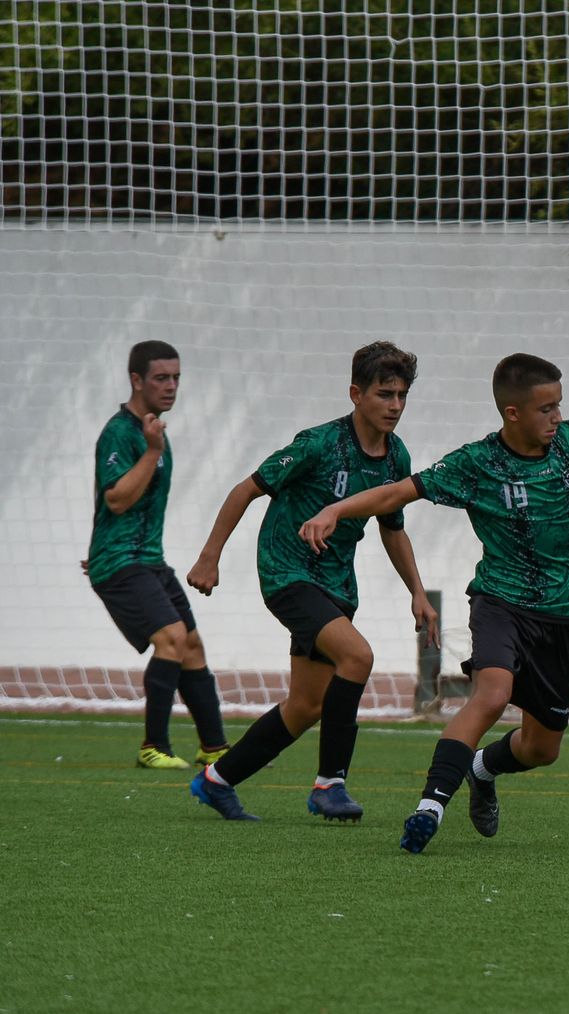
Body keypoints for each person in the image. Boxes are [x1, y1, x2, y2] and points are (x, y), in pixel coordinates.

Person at [296, 353, 569, 853]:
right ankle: (430, 806)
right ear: (512, 413)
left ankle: (482, 768)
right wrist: (334, 509)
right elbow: (395, 495)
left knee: (542, 749)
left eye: (559, 405)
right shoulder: (477, 463)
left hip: (561, 618)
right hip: (500, 603)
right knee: (491, 696)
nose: (556, 417)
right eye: (546, 409)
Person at [184, 341, 438, 822]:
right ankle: (330, 785)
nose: (396, 406)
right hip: (288, 573)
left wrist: (418, 592)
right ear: (355, 394)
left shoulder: (394, 457)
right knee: (358, 656)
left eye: (403, 395)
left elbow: (393, 528)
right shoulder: (318, 444)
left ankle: (217, 780)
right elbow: (247, 489)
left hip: (337, 585)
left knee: (305, 705)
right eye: (385, 394)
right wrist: (209, 557)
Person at [87, 340, 232, 769]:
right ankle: (153, 748)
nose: (171, 387)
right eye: (161, 378)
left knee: (192, 644)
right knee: (170, 637)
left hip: (147, 559)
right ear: (136, 380)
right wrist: (151, 451)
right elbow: (115, 499)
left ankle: (214, 748)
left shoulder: (152, 431)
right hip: (120, 561)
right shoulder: (121, 433)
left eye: (176, 378)